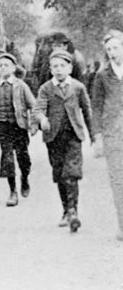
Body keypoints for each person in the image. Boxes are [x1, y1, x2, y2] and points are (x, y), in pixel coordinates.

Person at [33, 50, 95, 233]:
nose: (58, 70)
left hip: (73, 136)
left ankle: (73, 211)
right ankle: (65, 210)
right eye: (55, 66)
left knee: (72, 173)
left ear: (70, 67)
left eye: (62, 66)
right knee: (60, 173)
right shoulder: (46, 88)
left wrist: (93, 135)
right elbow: (38, 108)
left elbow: (87, 111)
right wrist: (42, 119)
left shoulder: (77, 87)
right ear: (50, 69)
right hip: (54, 138)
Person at [0, 53, 36, 207]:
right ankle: (13, 191)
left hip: (19, 126)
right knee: (7, 158)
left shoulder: (21, 86)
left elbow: (33, 105)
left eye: (6, 65)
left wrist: (34, 123)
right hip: (3, 127)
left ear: (14, 68)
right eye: (0, 66)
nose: (2, 68)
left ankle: (25, 178)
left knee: (23, 157)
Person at [89, 30, 123, 240]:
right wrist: (98, 137)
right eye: (108, 49)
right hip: (114, 136)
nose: (112, 53)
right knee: (118, 181)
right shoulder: (102, 77)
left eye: (116, 48)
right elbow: (96, 108)